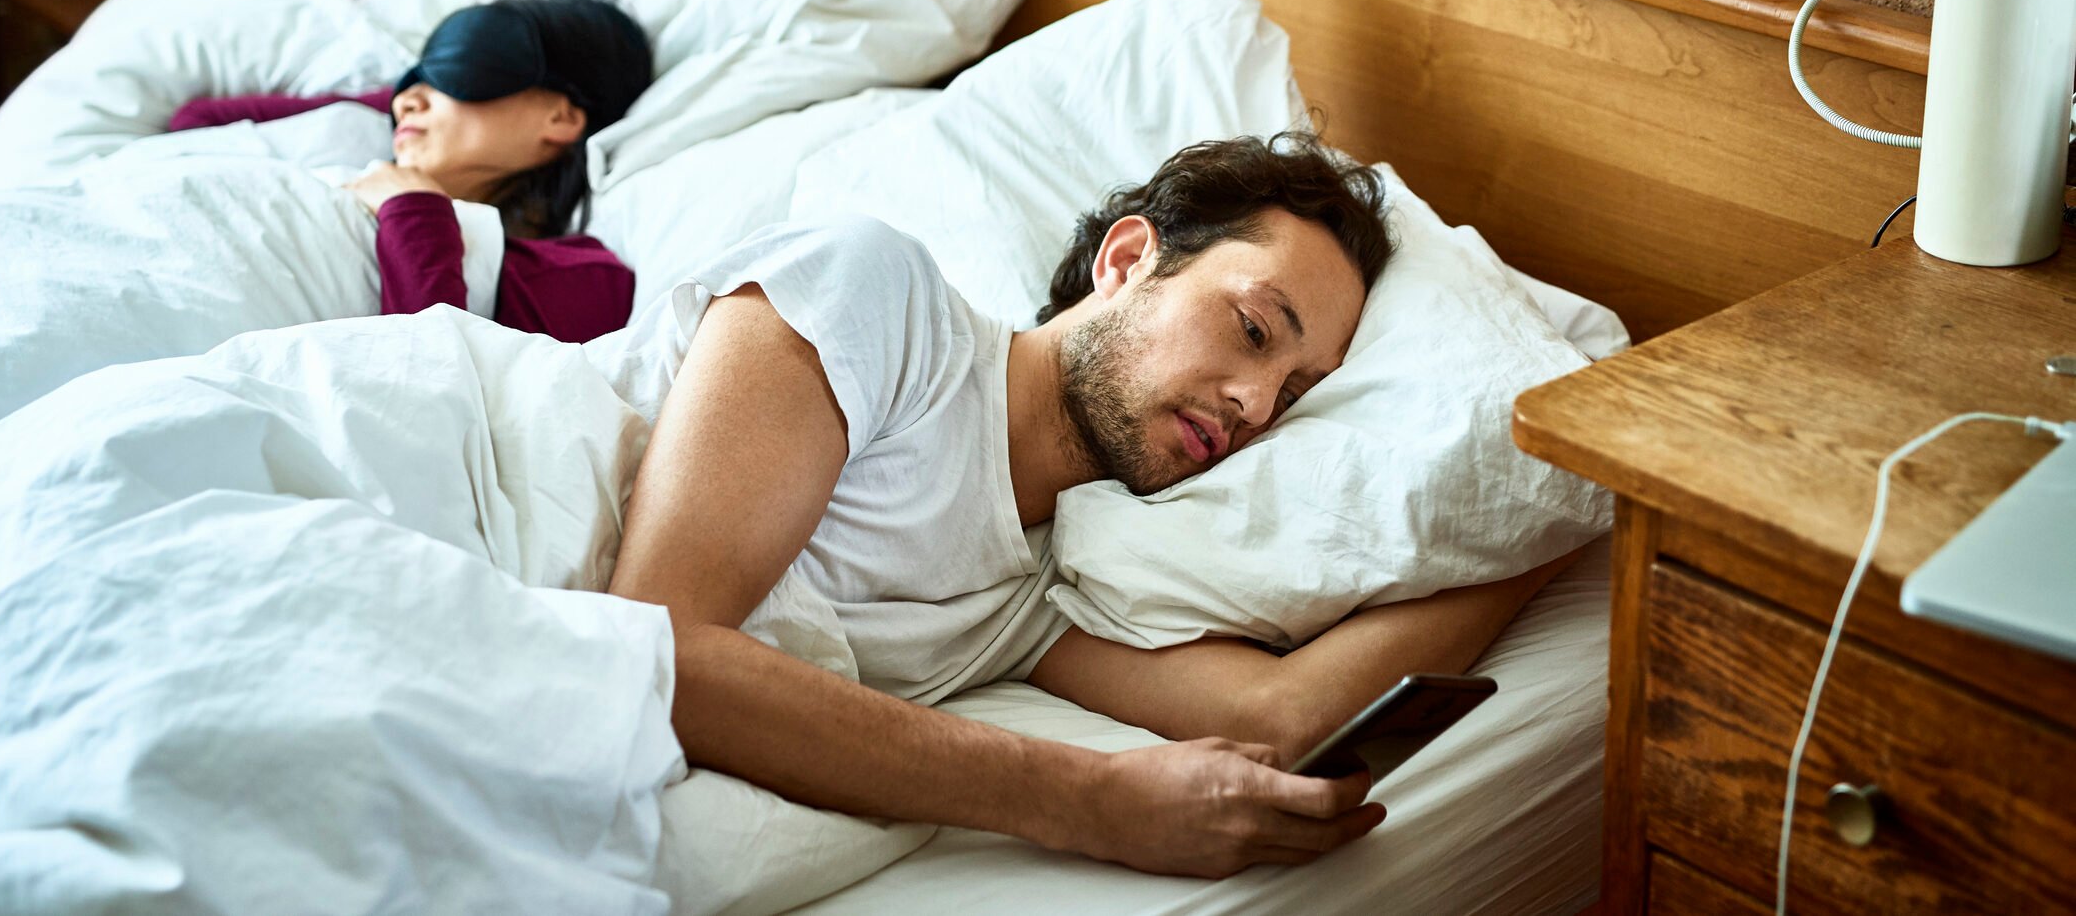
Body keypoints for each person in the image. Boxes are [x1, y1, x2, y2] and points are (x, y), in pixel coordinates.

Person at [597, 131, 1576, 879]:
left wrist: (1570, 509)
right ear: (1125, 260)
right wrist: (1092, 799)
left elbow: (1281, 720)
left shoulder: (1038, 590)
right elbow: (657, 650)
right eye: (1250, 328)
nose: (1253, 403)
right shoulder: (881, 302)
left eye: (1292, 394)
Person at [168, 0, 653, 343]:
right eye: (412, 79)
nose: (406, 99)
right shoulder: (360, 138)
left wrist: (415, 211)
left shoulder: (576, 279)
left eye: (456, 69)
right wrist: (395, 105)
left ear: (561, 117)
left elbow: (418, 389)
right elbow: (193, 127)